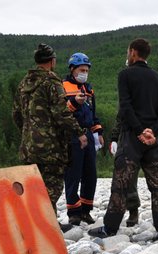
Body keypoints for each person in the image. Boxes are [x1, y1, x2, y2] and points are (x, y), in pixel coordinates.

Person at [90, 38, 158, 240]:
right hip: (153, 141)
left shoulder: (125, 75)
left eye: (128, 51)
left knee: (121, 183)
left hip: (131, 139)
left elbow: (125, 107)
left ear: (134, 52)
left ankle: (110, 228)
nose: (127, 54)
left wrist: (138, 131)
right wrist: (152, 132)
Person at [13, 43, 87, 222]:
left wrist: (28, 132)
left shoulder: (23, 84)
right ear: (52, 61)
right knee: (50, 191)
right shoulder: (52, 82)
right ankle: (47, 231)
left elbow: (16, 114)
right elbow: (61, 113)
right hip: (50, 149)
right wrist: (79, 133)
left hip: (28, 148)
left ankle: (34, 227)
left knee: (32, 190)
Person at [109, 114, 158, 227]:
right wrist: (114, 138)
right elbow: (122, 114)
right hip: (130, 137)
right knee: (128, 177)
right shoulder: (128, 96)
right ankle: (133, 210)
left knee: (157, 178)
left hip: (154, 137)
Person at [62, 52, 104, 226]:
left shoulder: (88, 88)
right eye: (81, 69)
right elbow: (61, 112)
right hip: (72, 135)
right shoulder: (63, 86)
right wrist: (74, 103)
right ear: (72, 69)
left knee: (90, 174)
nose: (84, 73)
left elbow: (92, 113)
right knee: (73, 174)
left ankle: (86, 210)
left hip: (88, 134)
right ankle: (74, 212)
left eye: (86, 70)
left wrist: (98, 132)